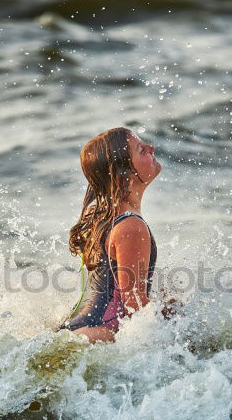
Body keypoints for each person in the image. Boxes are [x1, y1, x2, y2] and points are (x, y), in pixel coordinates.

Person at [60, 127, 162, 343]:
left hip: (77, 331)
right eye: (141, 150)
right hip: (99, 338)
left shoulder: (98, 215)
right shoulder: (131, 227)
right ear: (123, 175)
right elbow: (134, 307)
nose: (151, 147)